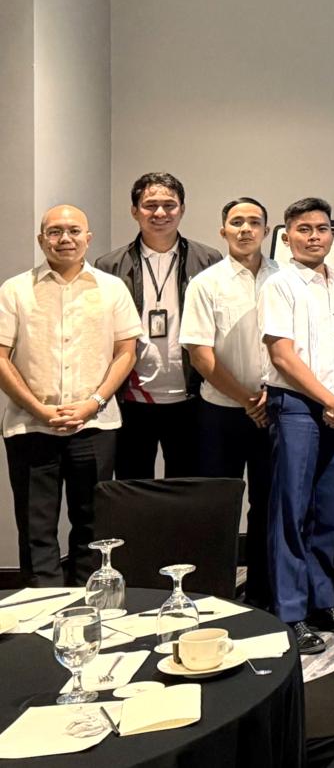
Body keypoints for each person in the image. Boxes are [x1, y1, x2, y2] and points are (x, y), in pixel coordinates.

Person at [0, 206, 140, 586]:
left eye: (74, 231)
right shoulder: (14, 290)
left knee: (93, 528)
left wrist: (93, 402)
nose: (65, 239)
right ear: (41, 239)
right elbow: (1, 356)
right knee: (36, 528)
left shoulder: (112, 288)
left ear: (88, 238)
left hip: (95, 426)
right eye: (55, 231)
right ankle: (43, 616)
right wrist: (39, 410)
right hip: (30, 428)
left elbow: (126, 350)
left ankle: (87, 608)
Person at [260, 197, 334, 654]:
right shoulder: (279, 285)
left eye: (322, 228)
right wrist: (329, 401)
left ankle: (325, 601)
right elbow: (282, 355)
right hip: (299, 408)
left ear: (332, 234)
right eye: (304, 229)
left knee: (328, 513)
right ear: (287, 237)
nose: (314, 236)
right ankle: (291, 613)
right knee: (292, 513)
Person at [179, 197, 280, 607]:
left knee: (268, 505)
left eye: (254, 222)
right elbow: (200, 354)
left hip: (274, 409)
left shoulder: (285, 279)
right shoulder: (206, 283)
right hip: (220, 412)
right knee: (218, 506)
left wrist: (266, 398)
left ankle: (262, 592)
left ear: (268, 231)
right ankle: (214, 593)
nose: (245, 229)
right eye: (236, 222)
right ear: (222, 230)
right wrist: (246, 398)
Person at [94, 172, 221, 478]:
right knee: (133, 485)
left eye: (169, 205)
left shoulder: (208, 260)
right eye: (150, 205)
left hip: (191, 395)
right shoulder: (110, 266)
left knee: (188, 486)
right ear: (135, 211)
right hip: (132, 397)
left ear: (182, 209)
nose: (161, 213)